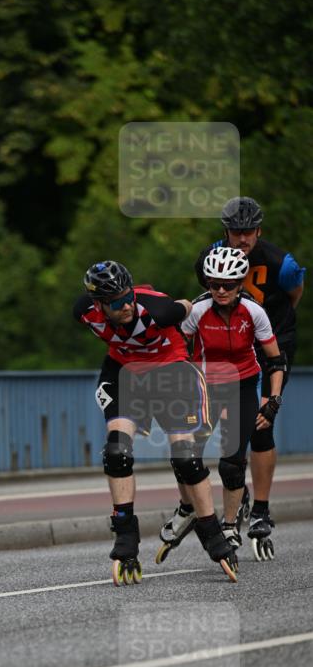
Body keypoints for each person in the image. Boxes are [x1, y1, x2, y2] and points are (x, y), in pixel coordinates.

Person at [73, 259, 239, 586]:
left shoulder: (157, 310)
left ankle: (212, 533)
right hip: (125, 373)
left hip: (171, 370)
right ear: (99, 305)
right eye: (116, 303)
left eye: (128, 297)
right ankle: (125, 536)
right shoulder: (84, 311)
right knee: (116, 453)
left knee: (186, 459)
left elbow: (188, 306)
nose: (126, 306)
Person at [157, 247, 285, 563]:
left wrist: (273, 401)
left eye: (228, 285)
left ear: (240, 284)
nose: (221, 290)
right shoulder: (198, 310)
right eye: (214, 284)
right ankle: (188, 508)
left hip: (243, 386)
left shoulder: (254, 312)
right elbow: (175, 349)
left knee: (231, 463)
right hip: (205, 388)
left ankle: (229, 527)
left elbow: (275, 360)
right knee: (183, 456)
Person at [194, 197, 305, 554]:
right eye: (235, 232)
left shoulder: (281, 263)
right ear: (225, 231)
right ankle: (236, 489)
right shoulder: (210, 257)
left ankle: (261, 510)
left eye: (249, 232)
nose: (242, 239)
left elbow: (294, 294)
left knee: (262, 422)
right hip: (232, 343)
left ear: (259, 230)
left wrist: (267, 325)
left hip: (273, 341)